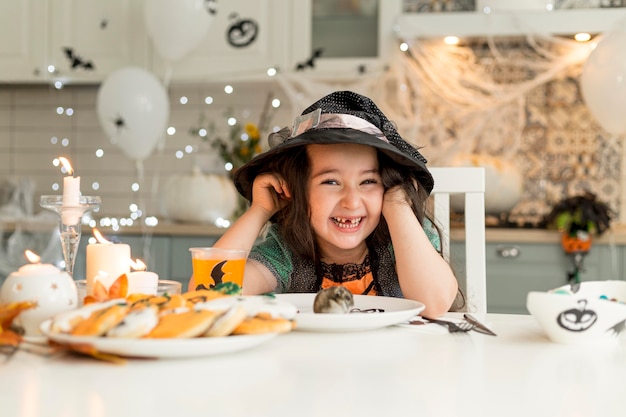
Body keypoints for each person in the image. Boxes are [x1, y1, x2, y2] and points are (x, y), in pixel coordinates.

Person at [210, 91, 459, 317]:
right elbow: (211, 293)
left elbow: (435, 305)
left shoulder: (402, 239)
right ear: (296, 190)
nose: (351, 202)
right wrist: (260, 210)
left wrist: (398, 205)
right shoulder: (286, 251)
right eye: (330, 182)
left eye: (368, 181)